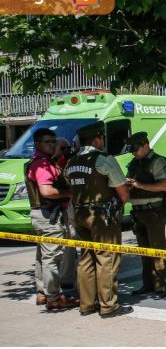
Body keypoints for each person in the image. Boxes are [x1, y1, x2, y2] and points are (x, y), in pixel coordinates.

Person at [64, 121, 132, 317]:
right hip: (102, 217)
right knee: (107, 258)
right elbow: (123, 194)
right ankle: (108, 305)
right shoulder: (104, 159)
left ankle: (87, 304)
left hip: (79, 214)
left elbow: (69, 185)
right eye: (102, 137)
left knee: (85, 258)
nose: (103, 141)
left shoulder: (71, 162)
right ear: (96, 139)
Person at [26, 128, 79, 311]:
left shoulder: (39, 161)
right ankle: (54, 297)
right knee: (52, 257)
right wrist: (67, 192)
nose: (52, 145)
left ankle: (43, 294)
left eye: (53, 141)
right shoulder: (42, 165)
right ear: (38, 143)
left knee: (42, 255)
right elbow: (46, 191)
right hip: (50, 216)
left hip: (42, 214)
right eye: (48, 142)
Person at [125, 132, 166, 298]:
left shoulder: (158, 161)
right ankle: (147, 284)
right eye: (131, 149)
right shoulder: (134, 162)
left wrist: (139, 185)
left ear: (146, 145)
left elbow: (163, 186)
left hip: (154, 212)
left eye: (136, 149)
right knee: (144, 252)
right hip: (138, 212)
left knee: (157, 251)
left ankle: (160, 286)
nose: (133, 153)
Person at [52, 136, 77, 291]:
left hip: (68, 207)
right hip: (59, 209)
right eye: (63, 149)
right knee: (66, 244)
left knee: (70, 242)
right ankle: (64, 279)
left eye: (69, 148)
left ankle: (66, 278)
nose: (66, 152)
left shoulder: (70, 161)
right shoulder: (52, 164)